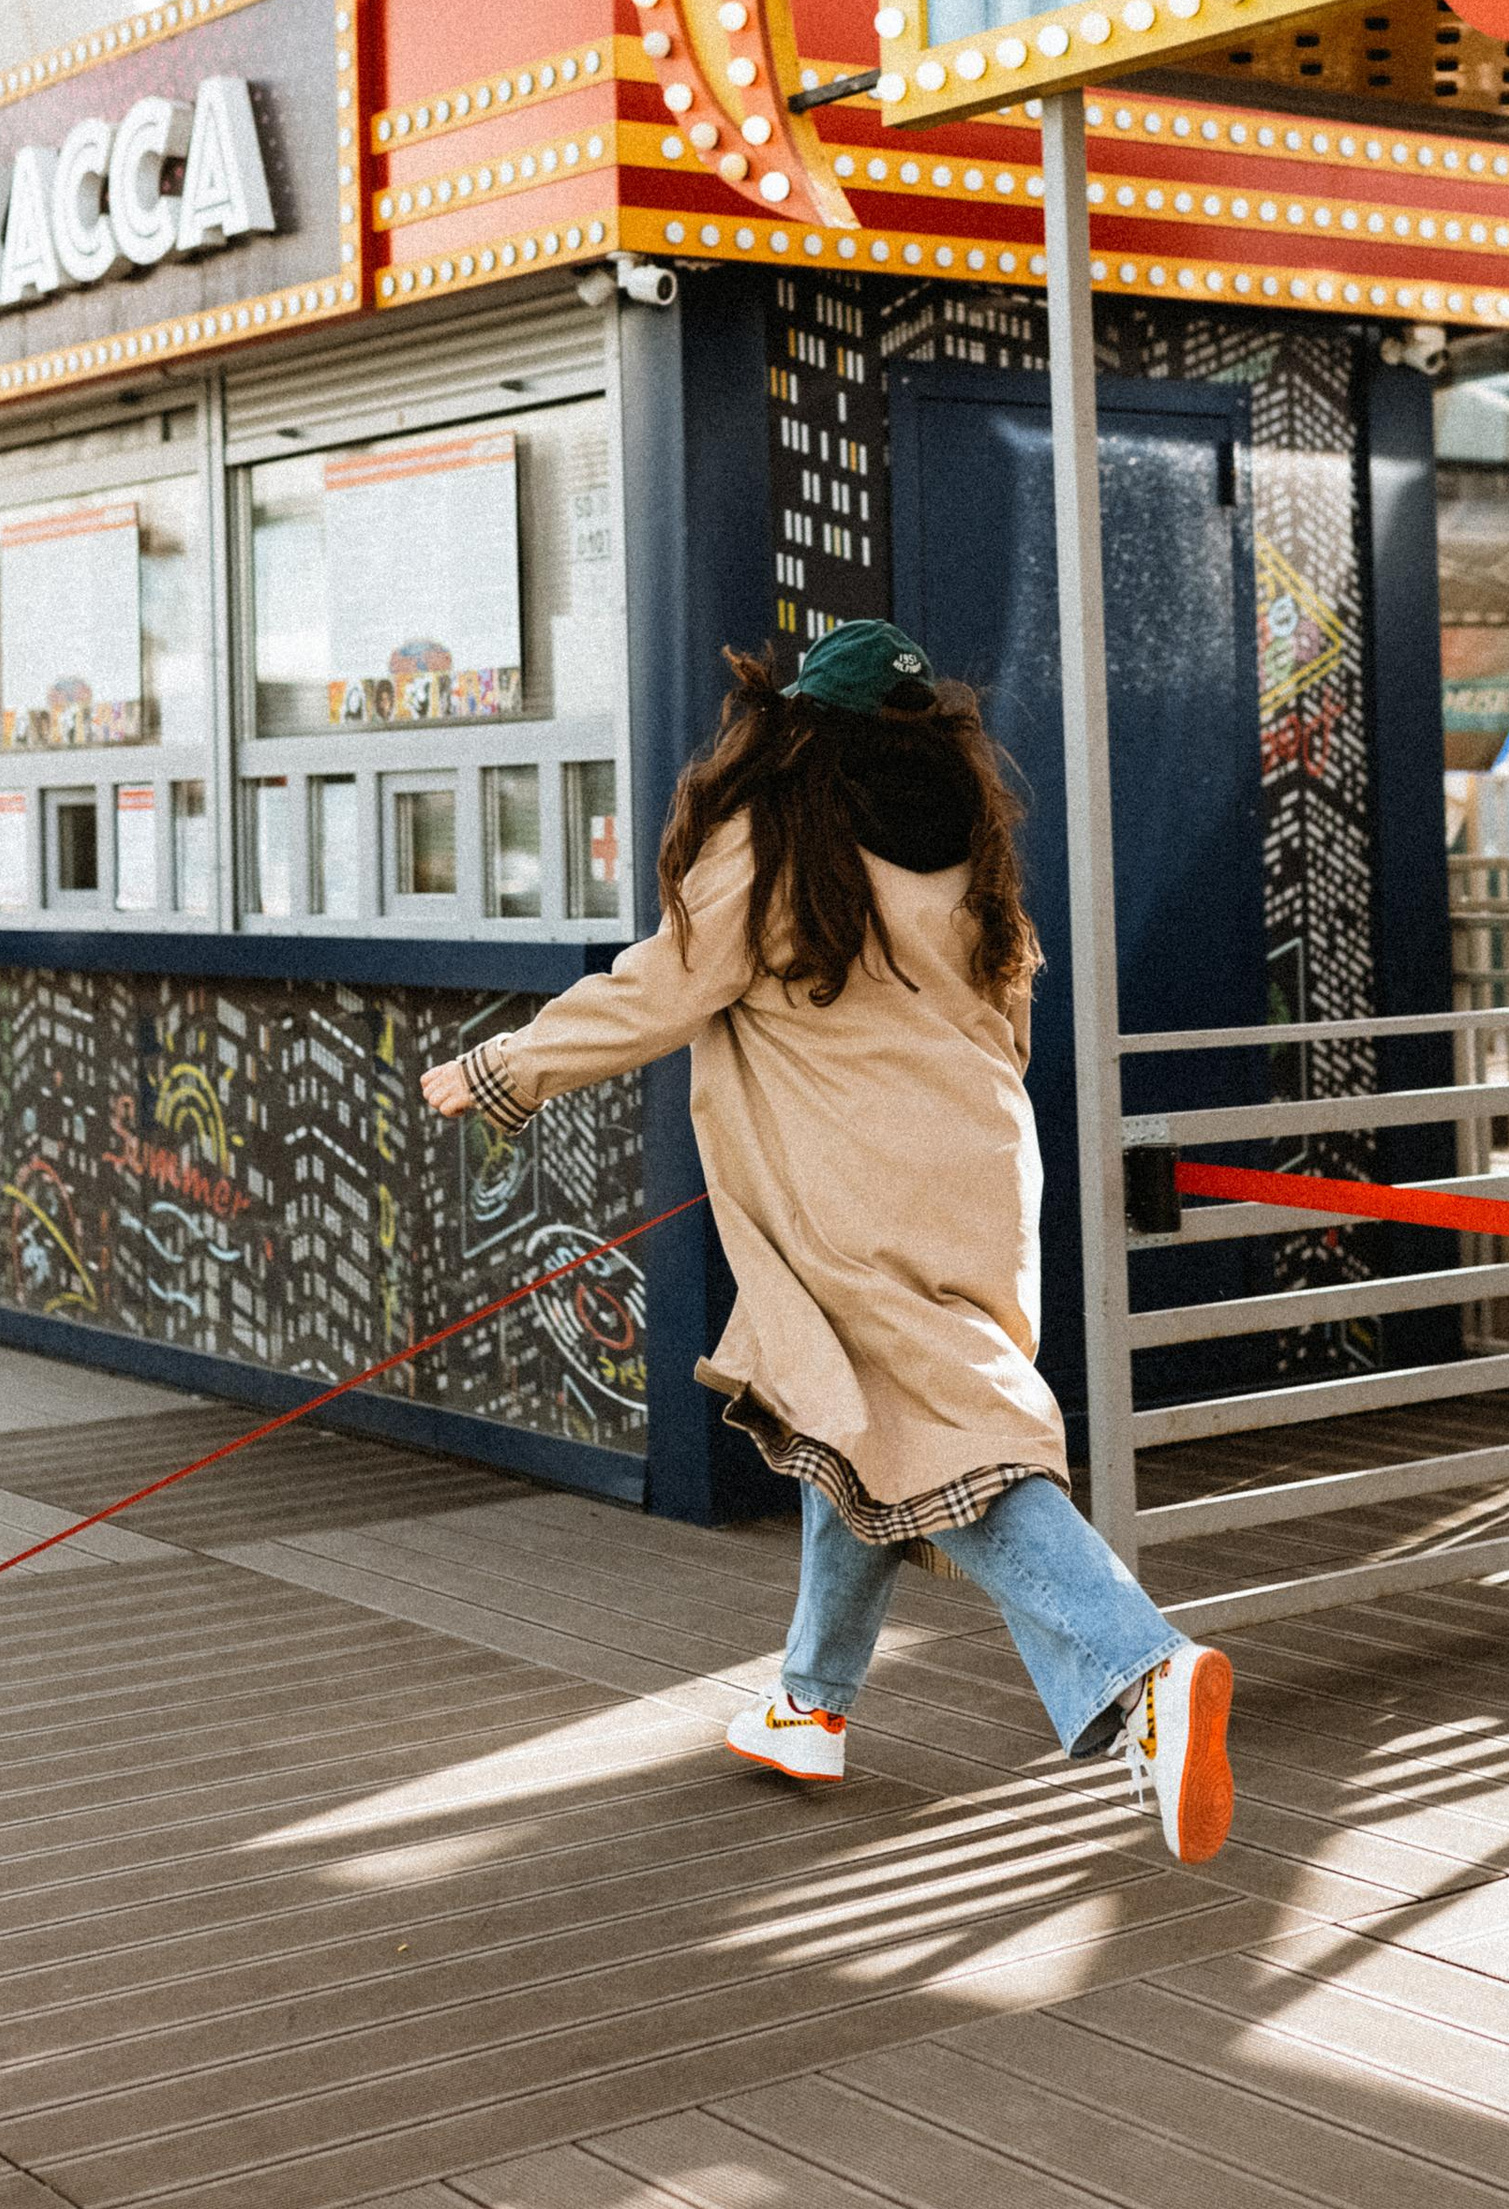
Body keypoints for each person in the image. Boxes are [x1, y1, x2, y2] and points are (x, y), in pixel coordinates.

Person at [422, 619, 1233, 1862]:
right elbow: (1003, 1016)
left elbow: (658, 989)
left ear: (797, 727)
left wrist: (502, 1069)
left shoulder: (778, 841)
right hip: (978, 1166)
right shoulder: (968, 846)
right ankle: (811, 1703)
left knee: (955, 1449)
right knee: (858, 1414)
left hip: (852, 1191)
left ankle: (1143, 1668)